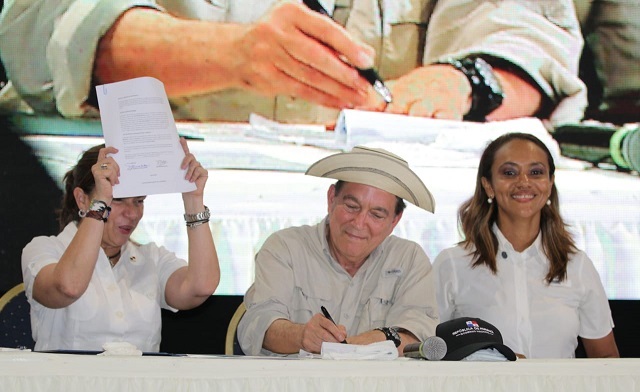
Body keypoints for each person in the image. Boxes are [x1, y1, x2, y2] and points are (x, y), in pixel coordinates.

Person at [0, 0, 585, 125]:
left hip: (376, 228)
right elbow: (40, 25)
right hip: (141, 220)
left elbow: (532, 36)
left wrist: (462, 81)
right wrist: (233, 54)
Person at [431, 132, 619, 359]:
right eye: (509, 173)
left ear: (549, 184)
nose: (523, 182)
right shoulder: (452, 264)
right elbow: (429, 355)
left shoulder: (577, 266)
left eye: (536, 172)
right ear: (488, 185)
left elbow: (607, 361)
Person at [21, 138, 220, 352]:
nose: (132, 213)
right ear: (82, 199)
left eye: (139, 201)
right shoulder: (45, 250)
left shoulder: (152, 258)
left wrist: (194, 200)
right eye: (118, 200)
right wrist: (100, 205)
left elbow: (201, 287)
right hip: (69, 384)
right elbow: (68, 287)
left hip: (141, 384)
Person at [237, 146, 438, 356]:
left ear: (395, 221)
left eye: (377, 215)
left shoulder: (409, 260)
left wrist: (342, 348)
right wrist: (301, 335)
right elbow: (257, 326)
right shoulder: (285, 247)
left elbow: (417, 337)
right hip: (293, 385)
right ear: (331, 198)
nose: (359, 223)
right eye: (351, 206)